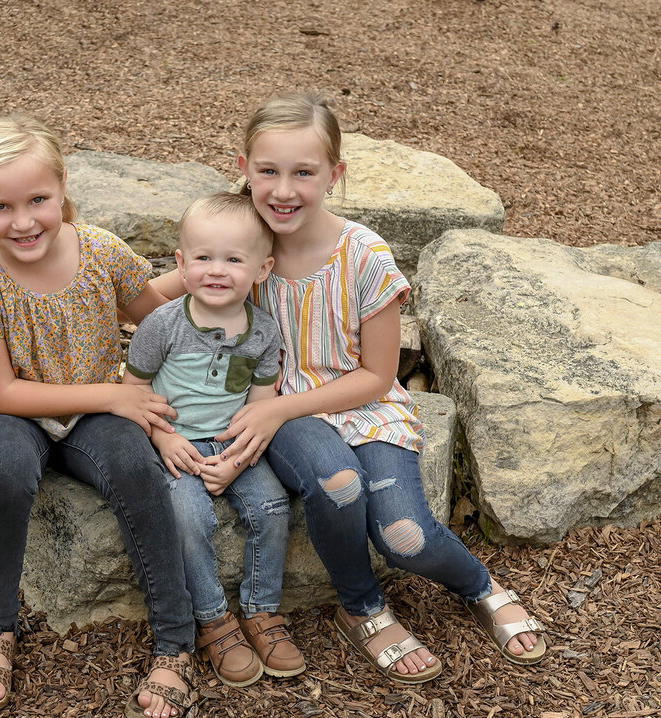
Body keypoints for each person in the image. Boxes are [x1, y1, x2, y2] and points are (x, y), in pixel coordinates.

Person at [216, 94, 547, 683]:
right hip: (287, 414)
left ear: (335, 175)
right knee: (338, 486)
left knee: (407, 537)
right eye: (268, 171)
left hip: (361, 404)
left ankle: (478, 584)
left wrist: (278, 410)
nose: (283, 189)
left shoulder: (363, 254)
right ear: (244, 167)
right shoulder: (244, 242)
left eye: (303, 172)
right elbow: (166, 287)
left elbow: (376, 375)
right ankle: (361, 605)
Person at [0, 113, 194, 718]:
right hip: (13, 411)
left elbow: (153, 315)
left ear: (62, 192)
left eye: (38, 200)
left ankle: (175, 640)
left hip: (91, 413)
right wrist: (114, 397)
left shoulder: (102, 251)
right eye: (1, 206)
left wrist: (207, 268)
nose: (23, 221)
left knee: (137, 466)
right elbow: (1, 391)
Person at [123, 193, 305, 688]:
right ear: (181, 264)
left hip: (233, 444)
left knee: (271, 508)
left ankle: (262, 611)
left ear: (262, 269)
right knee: (186, 517)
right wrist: (161, 439)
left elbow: (260, 407)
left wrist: (239, 462)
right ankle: (214, 620)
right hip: (174, 443)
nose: (217, 270)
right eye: (203, 258)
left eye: (233, 259)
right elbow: (133, 392)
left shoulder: (263, 333)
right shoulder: (162, 325)